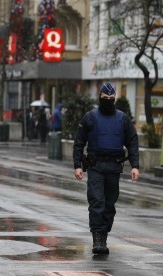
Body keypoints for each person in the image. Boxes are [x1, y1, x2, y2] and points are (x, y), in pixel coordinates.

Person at [73, 82, 139, 255]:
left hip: (114, 167)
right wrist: (77, 166)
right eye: (105, 98)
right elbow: (79, 142)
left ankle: (104, 233)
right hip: (95, 166)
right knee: (96, 202)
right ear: (100, 98)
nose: (108, 101)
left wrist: (135, 166)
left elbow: (132, 142)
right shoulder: (90, 117)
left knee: (109, 205)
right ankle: (98, 239)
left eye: (111, 99)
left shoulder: (122, 119)